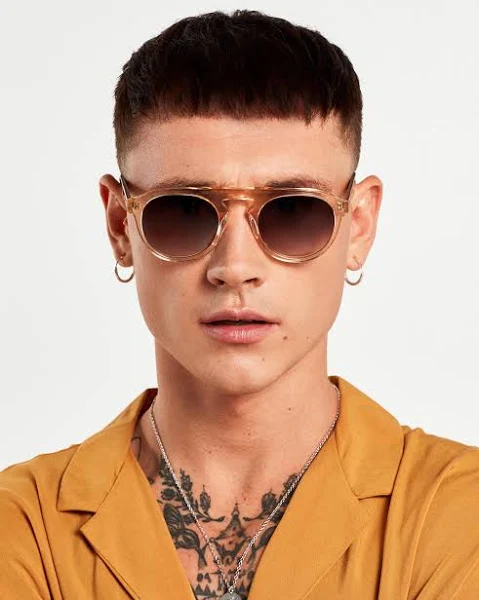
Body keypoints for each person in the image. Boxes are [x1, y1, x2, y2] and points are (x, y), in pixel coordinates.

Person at [0, 9, 477, 600]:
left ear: (358, 226)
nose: (235, 267)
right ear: (121, 225)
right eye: (183, 212)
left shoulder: (460, 515)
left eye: (293, 212)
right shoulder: (21, 527)